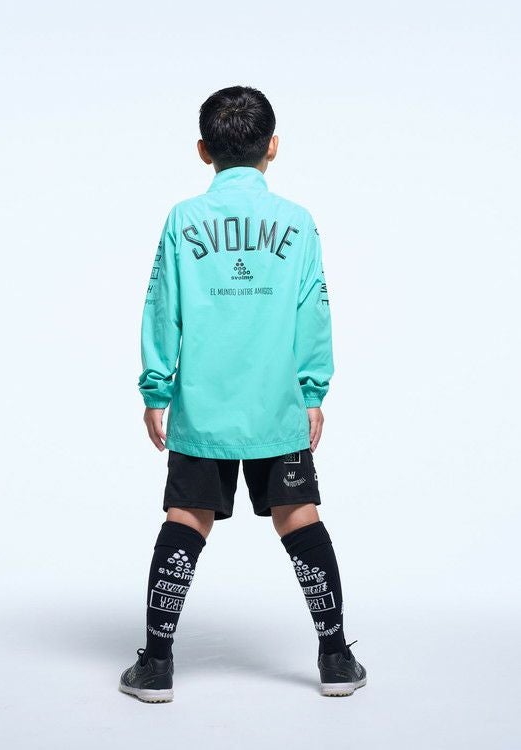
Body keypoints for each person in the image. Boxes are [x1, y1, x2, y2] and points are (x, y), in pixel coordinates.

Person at [119, 86, 366, 703]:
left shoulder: (183, 220)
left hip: (202, 409)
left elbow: (162, 310)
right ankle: (336, 658)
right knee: (299, 515)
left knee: (186, 518)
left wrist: (156, 391)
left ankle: (157, 666)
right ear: (272, 147)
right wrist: (311, 393)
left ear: (203, 150)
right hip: (276, 407)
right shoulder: (297, 222)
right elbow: (314, 313)